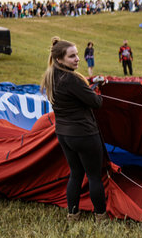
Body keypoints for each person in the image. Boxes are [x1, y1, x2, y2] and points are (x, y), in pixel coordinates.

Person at [40, 37, 109, 222]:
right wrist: (98, 89)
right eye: (72, 56)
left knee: (76, 174)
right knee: (94, 176)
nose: (78, 58)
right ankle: (101, 217)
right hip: (84, 134)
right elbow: (96, 103)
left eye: (77, 55)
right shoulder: (71, 79)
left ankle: (73, 215)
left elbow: (76, 96)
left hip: (64, 134)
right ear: (60, 60)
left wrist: (91, 86)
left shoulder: (51, 75)